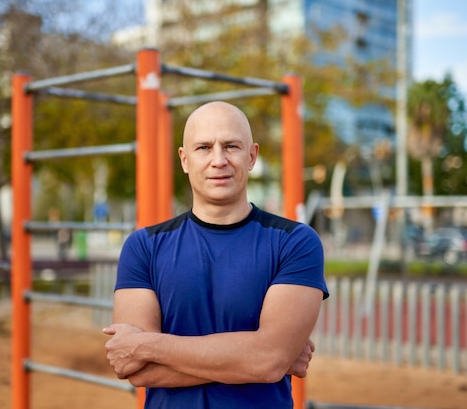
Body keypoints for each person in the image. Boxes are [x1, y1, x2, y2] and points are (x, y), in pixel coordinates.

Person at [103, 101, 329, 409]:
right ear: (184, 160)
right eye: (204, 148)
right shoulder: (143, 246)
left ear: (252, 156)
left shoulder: (294, 242)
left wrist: (145, 345)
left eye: (231, 146)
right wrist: (254, 359)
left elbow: (268, 361)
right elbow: (137, 369)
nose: (218, 160)